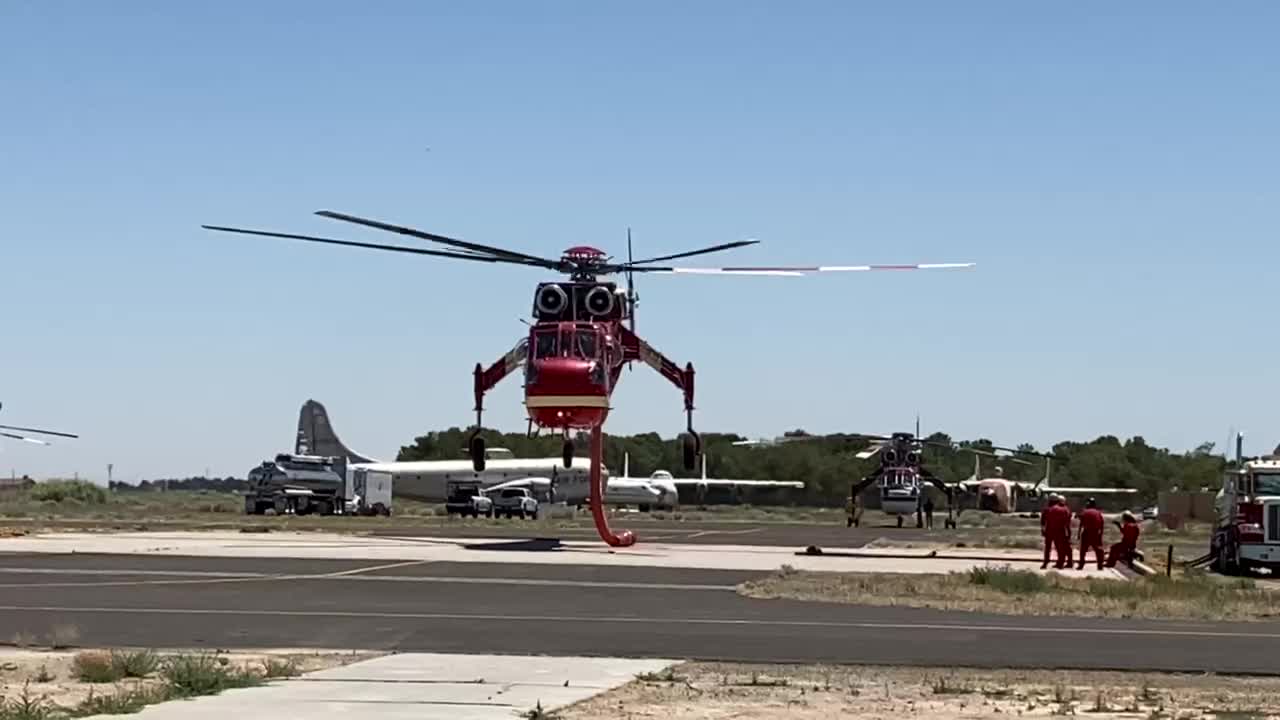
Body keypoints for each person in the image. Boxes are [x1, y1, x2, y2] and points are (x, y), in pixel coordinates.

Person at [1076, 497, 1105, 570]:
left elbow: (1081, 524)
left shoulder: (1085, 512)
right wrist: (1100, 534)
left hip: (1087, 532)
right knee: (1098, 550)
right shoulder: (1098, 512)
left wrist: (1078, 534)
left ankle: (1081, 565)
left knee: (1083, 550)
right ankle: (1100, 565)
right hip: (1096, 533)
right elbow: (1102, 524)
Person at [1050, 496, 1073, 569]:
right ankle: (1069, 562)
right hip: (1064, 530)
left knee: (1059, 547)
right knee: (1066, 547)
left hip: (1056, 530)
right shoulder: (1066, 509)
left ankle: (1060, 562)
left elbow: (1050, 519)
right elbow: (1068, 520)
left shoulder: (1053, 508)